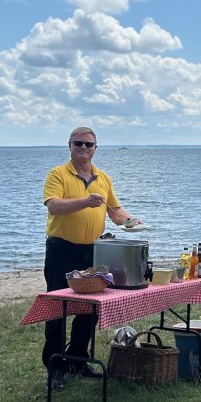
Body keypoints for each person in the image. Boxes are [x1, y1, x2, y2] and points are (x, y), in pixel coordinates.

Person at [41, 126, 140, 387]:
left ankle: (77, 362)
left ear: (96, 148)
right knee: (57, 309)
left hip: (93, 252)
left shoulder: (103, 178)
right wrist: (85, 201)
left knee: (89, 310)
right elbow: (54, 205)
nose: (83, 148)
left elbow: (114, 210)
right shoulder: (58, 174)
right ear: (69, 146)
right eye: (78, 144)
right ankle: (55, 368)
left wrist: (131, 222)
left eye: (88, 144)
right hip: (61, 250)